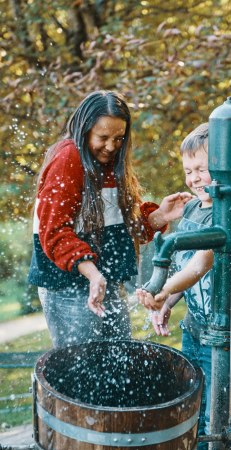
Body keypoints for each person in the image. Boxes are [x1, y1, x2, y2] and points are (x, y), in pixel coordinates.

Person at [28, 90, 192, 349]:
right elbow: (55, 231)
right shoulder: (68, 158)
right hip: (70, 287)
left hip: (105, 281)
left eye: (118, 138)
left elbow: (120, 226)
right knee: (83, 369)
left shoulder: (112, 164)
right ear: (84, 129)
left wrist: (159, 215)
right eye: (102, 137)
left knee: (118, 359)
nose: (111, 146)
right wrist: (92, 274)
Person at [137, 122, 215, 450]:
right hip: (195, 329)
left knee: (215, 411)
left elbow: (198, 267)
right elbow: (183, 265)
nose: (194, 177)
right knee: (193, 405)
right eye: (188, 170)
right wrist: (168, 301)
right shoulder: (194, 210)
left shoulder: (225, 214)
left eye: (201, 169)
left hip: (221, 336)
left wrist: (161, 289)